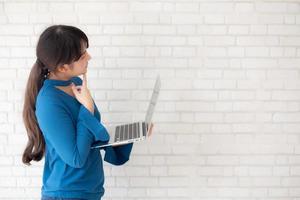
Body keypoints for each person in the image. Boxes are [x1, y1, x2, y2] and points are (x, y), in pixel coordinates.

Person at [22, 24, 154, 200]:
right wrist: (87, 107)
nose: (89, 57)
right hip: (68, 193)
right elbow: (75, 158)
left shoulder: (75, 82)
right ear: (63, 67)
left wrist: (131, 133)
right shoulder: (49, 103)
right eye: (82, 55)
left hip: (88, 189)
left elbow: (89, 132)